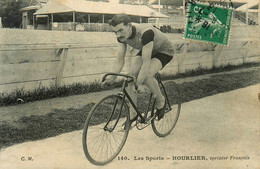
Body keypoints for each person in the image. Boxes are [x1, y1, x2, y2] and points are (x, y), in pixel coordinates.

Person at [103, 14, 174, 127]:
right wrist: (112, 77)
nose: (118, 35)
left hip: (163, 51)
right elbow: (120, 60)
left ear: (129, 26)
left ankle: (161, 101)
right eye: (115, 32)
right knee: (129, 77)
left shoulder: (146, 33)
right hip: (146, 48)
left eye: (121, 30)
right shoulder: (121, 36)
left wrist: (138, 83)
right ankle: (133, 114)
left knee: (146, 76)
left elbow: (145, 65)